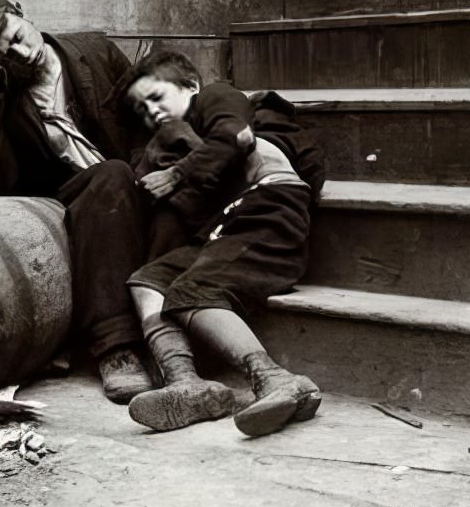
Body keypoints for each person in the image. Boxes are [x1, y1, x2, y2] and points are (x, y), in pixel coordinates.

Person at [0, 0, 153, 402]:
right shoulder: (9, 99)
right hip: (78, 203)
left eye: (18, 35)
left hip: (141, 179)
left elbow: (145, 117)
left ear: (22, 11)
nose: (22, 53)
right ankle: (116, 349)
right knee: (109, 176)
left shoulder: (95, 49)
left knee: (118, 173)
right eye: (5, 54)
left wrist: (145, 174)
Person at [120, 50, 321, 437]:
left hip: (269, 210)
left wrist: (177, 174)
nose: (151, 112)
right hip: (225, 227)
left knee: (193, 290)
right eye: (142, 109)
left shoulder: (216, 96)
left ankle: (274, 378)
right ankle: (186, 383)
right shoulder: (176, 143)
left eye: (157, 97)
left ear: (190, 86)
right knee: (149, 280)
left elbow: (234, 135)